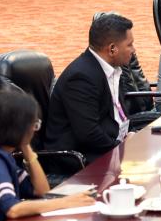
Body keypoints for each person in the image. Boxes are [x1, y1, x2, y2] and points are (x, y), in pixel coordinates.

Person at [43, 13, 137, 163]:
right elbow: (89, 134)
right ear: (112, 49)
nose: (134, 50)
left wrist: (130, 136)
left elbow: (115, 116)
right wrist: (122, 148)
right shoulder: (81, 78)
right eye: (129, 44)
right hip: (80, 158)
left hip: (110, 144)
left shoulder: (113, 68)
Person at [1, 90, 95, 221]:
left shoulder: (7, 157)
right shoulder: (0, 159)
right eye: (34, 125)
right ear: (18, 127)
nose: (34, 130)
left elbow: (41, 191)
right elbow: (12, 209)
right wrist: (65, 202)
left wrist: (27, 149)